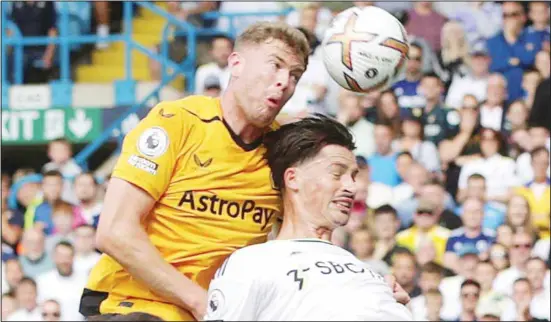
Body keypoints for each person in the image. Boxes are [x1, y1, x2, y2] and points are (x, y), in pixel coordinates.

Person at [80, 21, 311, 321]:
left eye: (295, 75)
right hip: (135, 305)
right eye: (275, 65)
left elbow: (302, 246)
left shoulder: (283, 153)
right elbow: (114, 232)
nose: (284, 82)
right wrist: (203, 304)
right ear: (236, 64)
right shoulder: (175, 122)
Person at [203, 115, 412, 321]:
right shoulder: (250, 264)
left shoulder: (371, 272)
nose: (351, 187)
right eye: (337, 174)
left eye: (354, 176)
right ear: (293, 179)